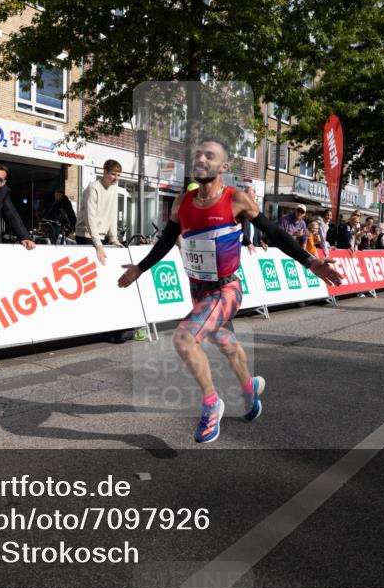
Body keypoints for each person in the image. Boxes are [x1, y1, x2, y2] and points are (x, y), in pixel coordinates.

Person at [117, 138, 343, 444]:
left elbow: (274, 232)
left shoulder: (236, 200)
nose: (201, 159)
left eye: (209, 156)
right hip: (198, 291)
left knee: (184, 339)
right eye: (197, 154)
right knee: (227, 344)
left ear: (224, 166)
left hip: (226, 290)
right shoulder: (182, 202)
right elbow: (167, 240)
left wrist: (311, 262)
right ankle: (250, 390)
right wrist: (139, 269)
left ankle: (212, 405)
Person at [75, 160, 124, 265]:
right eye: (113, 174)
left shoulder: (114, 188)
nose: (116, 178)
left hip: (101, 236)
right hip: (86, 235)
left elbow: (112, 214)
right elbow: (90, 217)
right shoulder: (93, 187)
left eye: (119, 175)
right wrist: (98, 245)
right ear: (105, 172)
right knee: (90, 269)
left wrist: (114, 238)